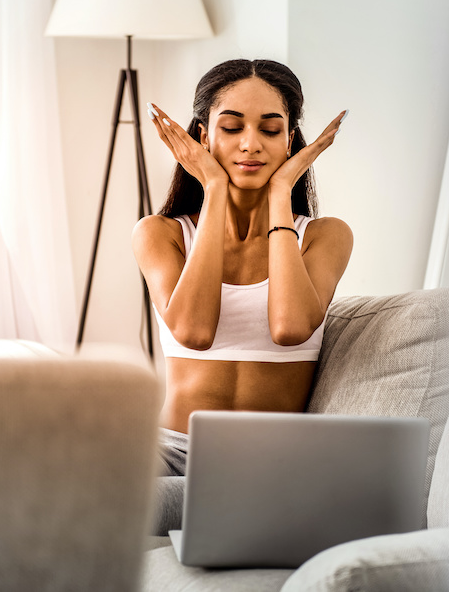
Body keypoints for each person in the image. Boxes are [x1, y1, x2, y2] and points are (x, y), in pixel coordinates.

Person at [133, 59, 353, 490]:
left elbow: (289, 328)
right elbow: (193, 332)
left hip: (273, 461)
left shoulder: (324, 236)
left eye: (270, 131)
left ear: (291, 142)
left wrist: (280, 193)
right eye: (232, 128)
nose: (251, 144)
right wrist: (214, 189)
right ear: (202, 137)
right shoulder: (161, 233)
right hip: (169, 456)